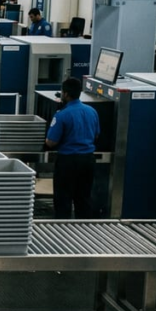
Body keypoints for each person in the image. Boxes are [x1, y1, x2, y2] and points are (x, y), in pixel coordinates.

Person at [45, 77, 101, 219]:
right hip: (88, 161)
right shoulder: (92, 111)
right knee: (84, 198)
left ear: (65, 94)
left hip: (67, 162)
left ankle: (62, 233)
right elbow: (96, 135)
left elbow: (51, 142)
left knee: (63, 200)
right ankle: (84, 234)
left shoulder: (62, 115)